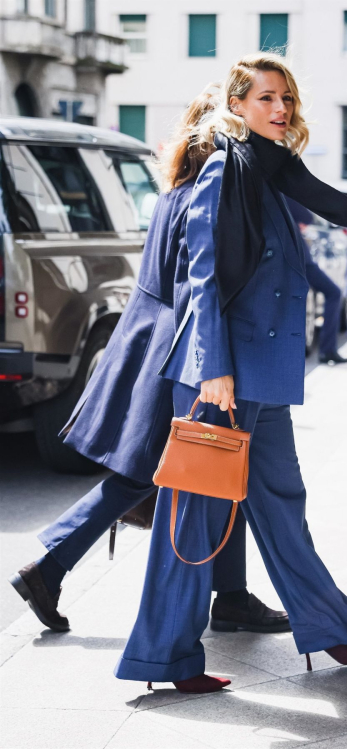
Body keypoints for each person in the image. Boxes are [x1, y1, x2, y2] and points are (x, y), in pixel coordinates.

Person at [114, 52, 347, 696]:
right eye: (266, 98)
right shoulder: (224, 166)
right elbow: (201, 276)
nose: (280, 109)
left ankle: (328, 625)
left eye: (286, 99)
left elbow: (341, 206)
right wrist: (212, 368)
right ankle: (164, 660)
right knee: (193, 520)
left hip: (264, 372)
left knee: (283, 504)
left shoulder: (273, 167)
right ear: (237, 105)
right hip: (222, 376)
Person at [8, 90, 289, 638]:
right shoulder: (214, 191)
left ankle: (229, 596)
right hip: (180, 352)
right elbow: (200, 290)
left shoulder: (175, 190)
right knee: (173, 470)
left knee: (208, 470)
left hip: (152, 341)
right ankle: (49, 567)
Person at [286, 197, 347, 364]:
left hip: (287, 259)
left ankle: (327, 350)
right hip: (300, 260)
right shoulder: (285, 191)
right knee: (334, 293)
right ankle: (327, 351)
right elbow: (307, 217)